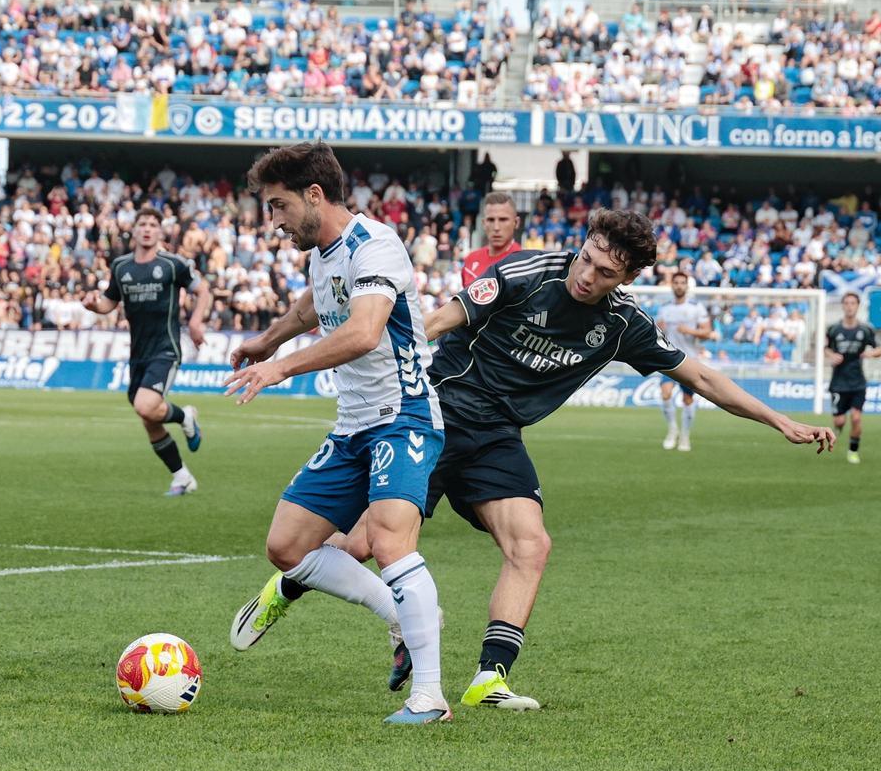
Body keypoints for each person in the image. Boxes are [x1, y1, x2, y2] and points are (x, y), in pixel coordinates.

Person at [232, 209, 835, 712]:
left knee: (532, 545)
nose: (587, 276)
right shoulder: (529, 271)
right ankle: (285, 586)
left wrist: (780, 421)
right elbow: (444, 317)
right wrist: (399, 373)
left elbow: (699, 373)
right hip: (442, 411)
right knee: (360, 544)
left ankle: (489, 679)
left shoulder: (622, 324)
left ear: (623, 278)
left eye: (605, 273)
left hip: (497, 438)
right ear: (582, 246)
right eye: (587, 259)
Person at [223, 142, 449, 724]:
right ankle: (398, 617)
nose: (273, 221)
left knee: (393, 543)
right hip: (354, 426)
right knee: (287, 548)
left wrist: (281, 367)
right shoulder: (322, 253)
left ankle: (430, 696)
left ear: (314, 196)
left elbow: (365, 330)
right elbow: (313, 307)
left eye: (278, 206)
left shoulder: (376, 244)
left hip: (404, 415)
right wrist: (269, 339)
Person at [83, 207, 210, 496]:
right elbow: (108, 302)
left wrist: (195, 321)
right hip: (138, 352)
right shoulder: (121, 266)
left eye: (153, 224)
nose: (148, 229)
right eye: (143, 224)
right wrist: (93, 304)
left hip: (165, 348)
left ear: (159, 231)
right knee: (148, 418)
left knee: (145, 405)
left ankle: (184, 417)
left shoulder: (172, 264)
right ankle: (182, 477)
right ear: (135, 229)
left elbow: (203, 291)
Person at [655, 272, 711, 451]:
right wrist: (659, 329)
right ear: (672, 285)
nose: (679, 286)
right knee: (665, 394)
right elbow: (656, 333)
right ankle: (672, 429)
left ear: (687, 286)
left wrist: (689, 331)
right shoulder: (664, 308)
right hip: (668, 358)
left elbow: (707, 332)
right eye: (676, 283)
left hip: (689, 360)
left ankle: (685, 436)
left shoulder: (696, 307)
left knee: (687, 399)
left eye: (682, 283)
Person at [825, 292, 881, 464]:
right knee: (840, 420)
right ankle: (838, 428)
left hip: (858, 382)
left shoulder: (865, 329)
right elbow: (826, 348)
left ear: (858, 306)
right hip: (838, 383)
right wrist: (831, 355)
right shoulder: (834, 329)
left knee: (856, 418)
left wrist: (871, 353)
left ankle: (853, 451)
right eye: (847, 303)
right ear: (843, 306)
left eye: (853, 303)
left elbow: (880, 349)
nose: (850, 306)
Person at [461, 191, 522, 287]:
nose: (496, 227)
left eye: (503, 219)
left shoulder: (524, 263)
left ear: (516, 222)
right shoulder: (470, 260)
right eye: (491, 220)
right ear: (484, 223)